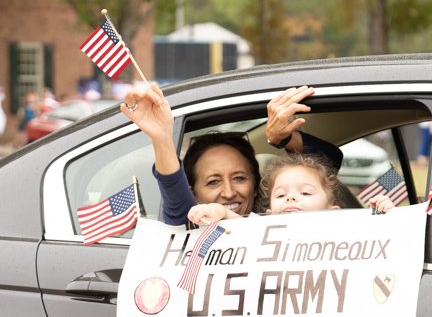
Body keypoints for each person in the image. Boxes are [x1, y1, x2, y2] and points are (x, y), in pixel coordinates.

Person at [119, 82, 345, 226]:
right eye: (213, 182)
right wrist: (162, 140)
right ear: (193, 191)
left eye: (239, 178)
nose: (228, 193)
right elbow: (177, 200)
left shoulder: (274, 216)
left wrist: (282, 138)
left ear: (257, 184)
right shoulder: (197, 224)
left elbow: (325, 164)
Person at [191, 151, 395, 222]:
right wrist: (214, 211)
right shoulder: (262, 228)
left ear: (332, 211)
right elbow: (232, 219)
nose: (291, 198)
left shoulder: (339, 229)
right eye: (280, 195)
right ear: (269, 213)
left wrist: (384, 212)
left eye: (305, 192)